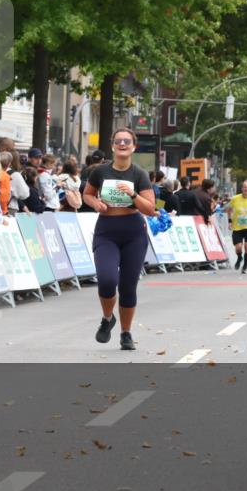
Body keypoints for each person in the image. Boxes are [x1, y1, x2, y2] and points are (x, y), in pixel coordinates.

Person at [82, 128, 156, 351]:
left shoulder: (139, 174)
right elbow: (87, 194)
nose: (122, 144)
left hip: (133, 231)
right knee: (106, 280)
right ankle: (107, 318)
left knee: (127, 286)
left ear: (134, 146)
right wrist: (96, 204)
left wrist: (133, 195)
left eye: (127, 141)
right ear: (113, 145)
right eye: (118, 141)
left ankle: (126, 333)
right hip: (107, 229)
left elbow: (151, 209)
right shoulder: (100, 172)